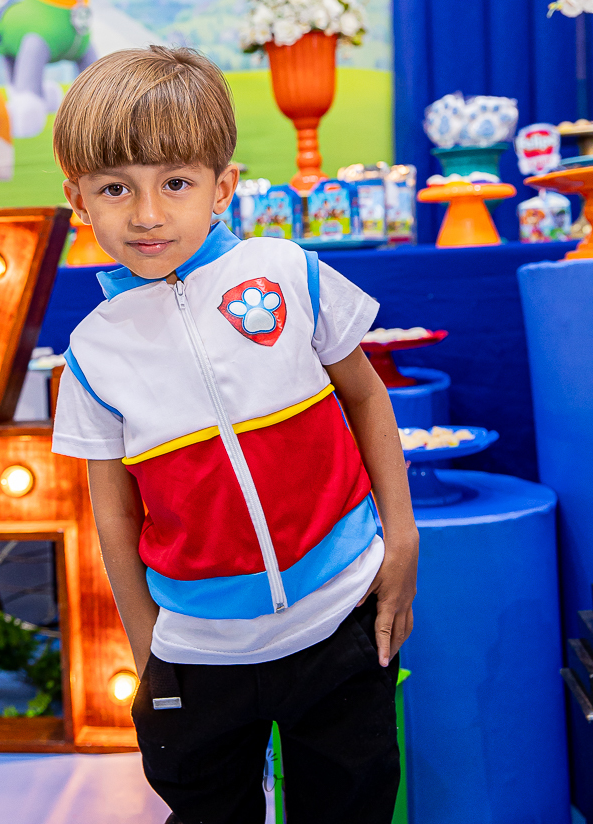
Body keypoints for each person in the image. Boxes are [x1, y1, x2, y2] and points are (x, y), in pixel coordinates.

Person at [51, 45, 419, 824]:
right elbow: (113, 514)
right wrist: (149, 653)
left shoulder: (288, 272)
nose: (147, 214)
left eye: (175, 183)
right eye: (115, 188)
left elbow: (367, 398)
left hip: (340, 615)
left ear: (223, 187)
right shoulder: (92, 353)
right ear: (77, 198)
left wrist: (402, 541)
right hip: (198, 653)